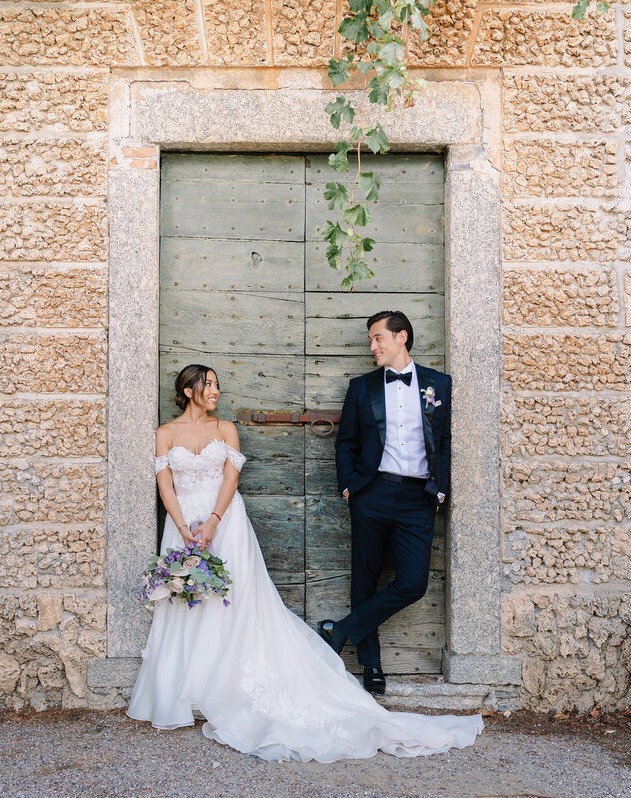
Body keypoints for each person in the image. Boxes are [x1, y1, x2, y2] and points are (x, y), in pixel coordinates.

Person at [126, 364, 481, 762]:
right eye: (208, 385)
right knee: (186, 602)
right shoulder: (165, 433)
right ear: (188, 390)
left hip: (223, 524)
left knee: (236, 602)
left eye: (217, 385)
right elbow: (164, 484)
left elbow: (230, 481)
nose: (215, 391)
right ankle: (187, 687)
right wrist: (182, 526)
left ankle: (228, 686)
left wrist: (211, 523)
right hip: (182, 526)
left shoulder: (225, 429)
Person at [319, 310, 450, 697]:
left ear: (401, 337)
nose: (373, 347)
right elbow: (346, 442)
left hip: (418, 498)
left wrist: (440, 488)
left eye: (378, 338)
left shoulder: (438, 385)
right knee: (365, 577)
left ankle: (340, 630)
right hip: (371, 493)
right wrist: (349, 488)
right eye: (371, 341)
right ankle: (371, 665)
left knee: (413, 583)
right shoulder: (362, 387)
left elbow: (445, 442)